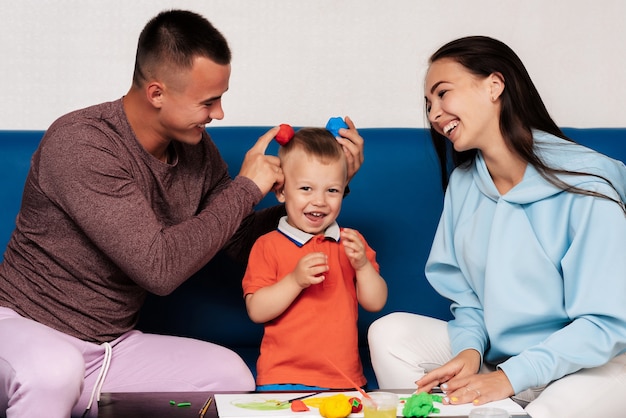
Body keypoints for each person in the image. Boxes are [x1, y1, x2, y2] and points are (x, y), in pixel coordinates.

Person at [0, 10, 364, 418]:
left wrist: (319, 191)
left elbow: (242, 240)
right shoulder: (81, 144)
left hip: (108, 348)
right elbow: (158, 269)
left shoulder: (197, 151)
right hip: (21, 329)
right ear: (157, 93)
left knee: (231, 379)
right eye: (208, 101)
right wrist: (246, 187)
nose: (220, 114)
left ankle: (71, 399)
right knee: (54, 370)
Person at [367, 36, 626, 418]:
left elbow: (606, 323)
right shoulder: (465, 184)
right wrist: (470, 350)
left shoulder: (586, 183)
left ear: (494, 85)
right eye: (428, 105)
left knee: (554, 408)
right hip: (501, 360)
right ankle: (495, 408)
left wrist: (510, 376)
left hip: (593, 363)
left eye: (443, 94)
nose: (435, 114)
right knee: (389, 334)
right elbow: (469, 298)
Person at [242, 127, 387, 391]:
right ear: (282, 192)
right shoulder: (267, 245)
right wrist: (295, 280)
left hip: (343, 379)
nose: (319, 201)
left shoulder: (351, 242)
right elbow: (257, 310)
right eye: (306, 188)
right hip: (282, 377)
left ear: (344, 191)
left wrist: (363, 267)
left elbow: (376, 302)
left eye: (331, 190)